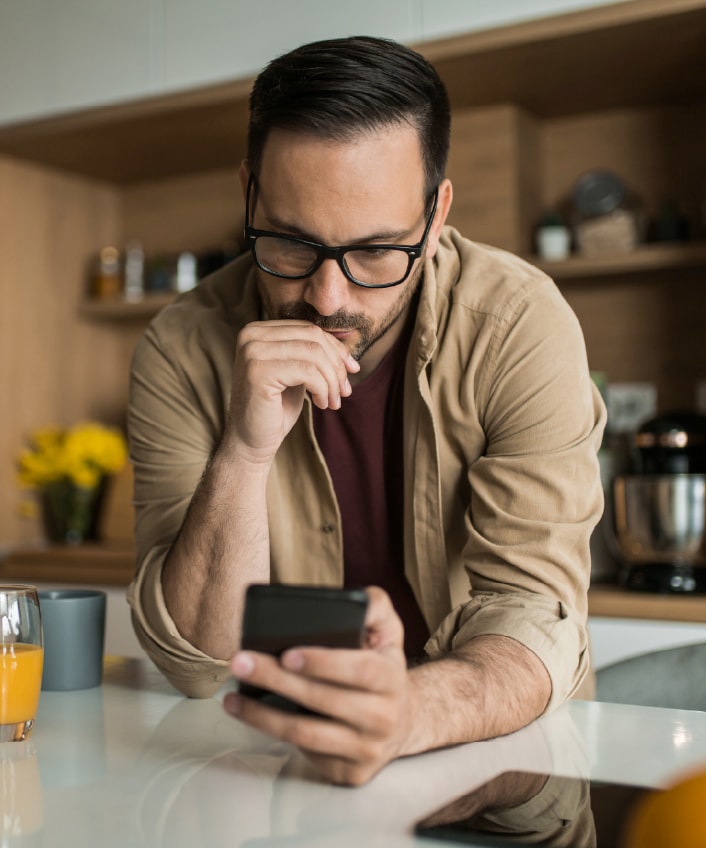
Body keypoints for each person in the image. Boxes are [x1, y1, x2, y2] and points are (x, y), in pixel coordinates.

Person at [127, 35, 606, 786]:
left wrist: (408, 710)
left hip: (502, 765)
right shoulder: (180, 347)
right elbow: (197, 662)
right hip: (273, 772)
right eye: (289, 243)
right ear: (250, 193)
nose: (328, 298)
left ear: (436, 212)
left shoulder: (519, 324)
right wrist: (244, 453)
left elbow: (532, 612)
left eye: (379, 251)